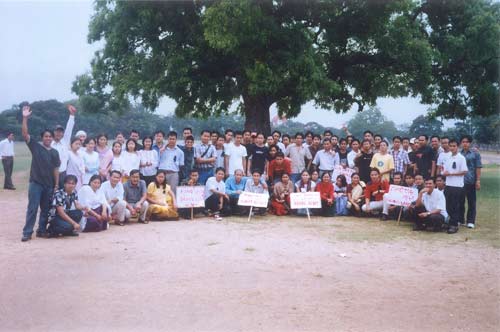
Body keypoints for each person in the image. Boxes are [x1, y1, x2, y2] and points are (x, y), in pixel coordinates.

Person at [21, 105, 61, 241]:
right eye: (46, 136)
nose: (48, 138)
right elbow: (25, 134)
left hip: (49, 185)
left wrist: (56, 184)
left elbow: (56, 169)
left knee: (45, 209)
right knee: (32, 208)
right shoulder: (35, 147)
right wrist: (25, 118)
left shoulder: (55, 152)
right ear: (42, 138)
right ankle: (27, 232)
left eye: (50, 136)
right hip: (36, 183)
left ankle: (41, 230)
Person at [442, 139, 468, 234]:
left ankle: (454, 225)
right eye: (451, 146)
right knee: (447, 205)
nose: (452, 148)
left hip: (457, 186)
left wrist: (452, 174)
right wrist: (444, 173)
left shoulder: (461, 158)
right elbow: (445, 170)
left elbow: (464, 171)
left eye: (454, 146)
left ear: (458, 146)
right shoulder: (448, 157)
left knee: (455, 206)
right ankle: (449, 222)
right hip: (448, 184)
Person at [51, 105, 77, 188]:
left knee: (62, 194)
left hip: (62, 173)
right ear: (53, 132)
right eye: (57, 131)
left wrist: (72, 115)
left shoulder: (65, 141)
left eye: (61, 132)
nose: (59, 133)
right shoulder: (49, 144)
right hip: (50, 173)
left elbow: (69, 128)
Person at [460, 135, 482, 228]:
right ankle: (460, 220)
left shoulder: (475, 153)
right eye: (463, 142)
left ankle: (470, 221)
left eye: (467, 142)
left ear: (470, 143)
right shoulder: (458, 153)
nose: (465, 143)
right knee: (460, 202)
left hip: (471, 181)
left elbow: (478, 167)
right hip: (460, 182)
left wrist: (478, 180)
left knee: (471, 202)